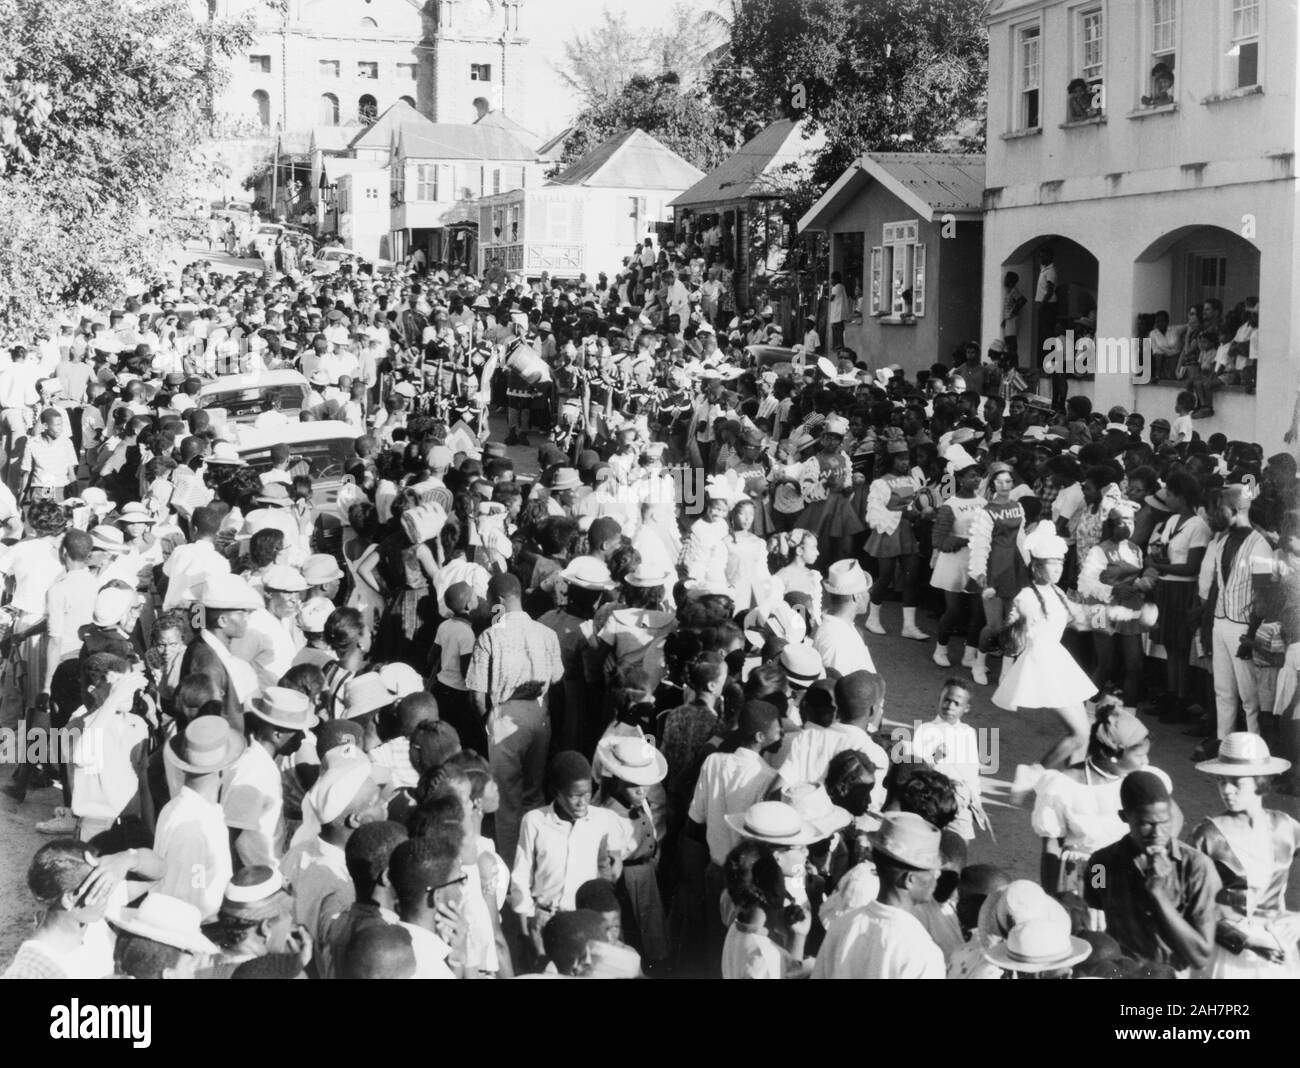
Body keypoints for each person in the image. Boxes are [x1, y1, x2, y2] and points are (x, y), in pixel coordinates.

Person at [466, 572, 564, 865]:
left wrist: (488, 719)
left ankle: (510, 865)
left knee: (507, 800)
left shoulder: (490, 635)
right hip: (537, 713)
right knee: (534, 792)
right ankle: (536, 859)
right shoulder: (546, 633)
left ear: (498, 601)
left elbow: (475, 694)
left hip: (505, 715)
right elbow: (557, 676)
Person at [1084, 770, 1219, 974]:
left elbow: (1201, 956)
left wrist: (1158, 895)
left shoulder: (1197, 867)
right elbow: (1093, 912)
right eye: (1146, 824)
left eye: (1165, 822)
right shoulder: (1100, 864)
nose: (1158, 833)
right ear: (1124, 817)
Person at [1189, 733, 1300, 978]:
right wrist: (1246, 941)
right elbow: (1192, 906)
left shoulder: (1286, 826)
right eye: (1221, 780)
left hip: (1277, 945)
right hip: (1228, 953)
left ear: (1261, 781)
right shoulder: (1206, 835)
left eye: (1237, 781)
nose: (1227, 790)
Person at [509, 751, 633, 968]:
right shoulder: (535, 822)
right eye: (574, 796)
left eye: (587, 795)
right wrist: (527, 925)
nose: (582, 803)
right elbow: (521, 874)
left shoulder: (603, 820)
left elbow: (610, 870)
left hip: (585, 924)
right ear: (557, 792)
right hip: (546, 921)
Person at [992, 524, 1096, 769]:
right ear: (1036, 567)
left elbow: (1079, 621)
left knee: (1084, 733)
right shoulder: (1026, 597)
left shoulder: (1058, 592)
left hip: (1058, 661)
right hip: (1043, 663)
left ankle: (1073, 781)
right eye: (1052, 563)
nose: (1059, 568)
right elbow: (1011, 643)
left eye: (1061, 563)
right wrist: (1019, 624)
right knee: (1079, 734)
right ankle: (1034, 773)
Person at [812, 812, 946, 978]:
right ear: (909, 880)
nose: (938, 875)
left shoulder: (842, 925)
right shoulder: (923, 952)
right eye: (932, 870)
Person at [1196, 485, 1273, 756]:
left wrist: (1250, 636)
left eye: (1220, 508)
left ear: (1237, 509)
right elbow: (1217, 586)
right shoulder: (1221, 539)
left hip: (1243, 627)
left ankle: (1255, 751)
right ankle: (1225, 745)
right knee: (1223, 692)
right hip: (1220, 622)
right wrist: (1208, 627)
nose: (1215, 513)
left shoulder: (1259, 545)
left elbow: (1263, 595)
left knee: (1249, 698)